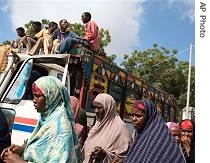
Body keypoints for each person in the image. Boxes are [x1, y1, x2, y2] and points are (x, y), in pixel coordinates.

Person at [1, 76, 82, 163]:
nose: (34, 100)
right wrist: (22, 148)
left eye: (38, 96)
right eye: (33, 96)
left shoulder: (59, 128)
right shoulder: (47, 119)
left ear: (51, 97)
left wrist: (18, 161)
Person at [82, 93, 132, 163]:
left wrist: (105, 155)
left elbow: (126, 158)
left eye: (99, 108)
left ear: (108, 108)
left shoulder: (120, 129)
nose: (96, 111)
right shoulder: (97, 125)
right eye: (94, 107)